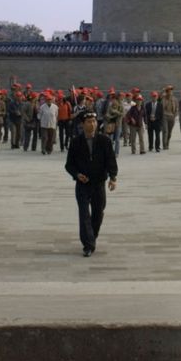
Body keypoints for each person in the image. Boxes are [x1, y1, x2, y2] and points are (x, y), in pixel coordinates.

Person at [65, 110, 118, 257]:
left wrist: (113, 178)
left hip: (99, 182)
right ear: (82, 124)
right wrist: (77, 175)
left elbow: (111, 161)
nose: (92, 124)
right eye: (89, 122)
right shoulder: (76, 142)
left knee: (98, 213)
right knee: (84, 214)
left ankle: (91, 237)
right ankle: (88, 245)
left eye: (94, 121)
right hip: (83, 184)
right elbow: (69, 165)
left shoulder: (104, 141)